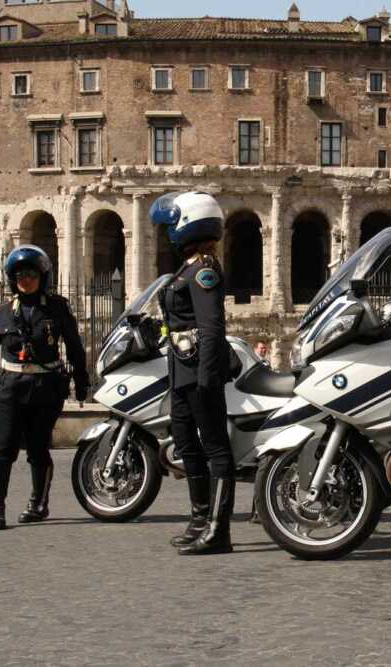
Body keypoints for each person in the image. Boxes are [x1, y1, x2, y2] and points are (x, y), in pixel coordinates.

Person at [0, 245, 89, 529]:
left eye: (31, 274)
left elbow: (75, 348)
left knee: (39, 448)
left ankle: (38, 504)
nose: (25, 280)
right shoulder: (3, 312)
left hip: (45, 387)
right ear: (11, 279)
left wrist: (81, 382)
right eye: (19, 275)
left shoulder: (57, 308)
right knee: (3, 448)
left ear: (42, 277)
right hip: (9, 388)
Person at [151, 191, 236, 556]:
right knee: (186, 444)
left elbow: (211, 328)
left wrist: (207, 377)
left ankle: (219, 531)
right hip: (182, 372)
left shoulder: (203, 269)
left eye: (171, 224)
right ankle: (199, 520)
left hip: (199, 373)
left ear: (188, 224)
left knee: (216, 447)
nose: (166, 230)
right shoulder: (186, 268)